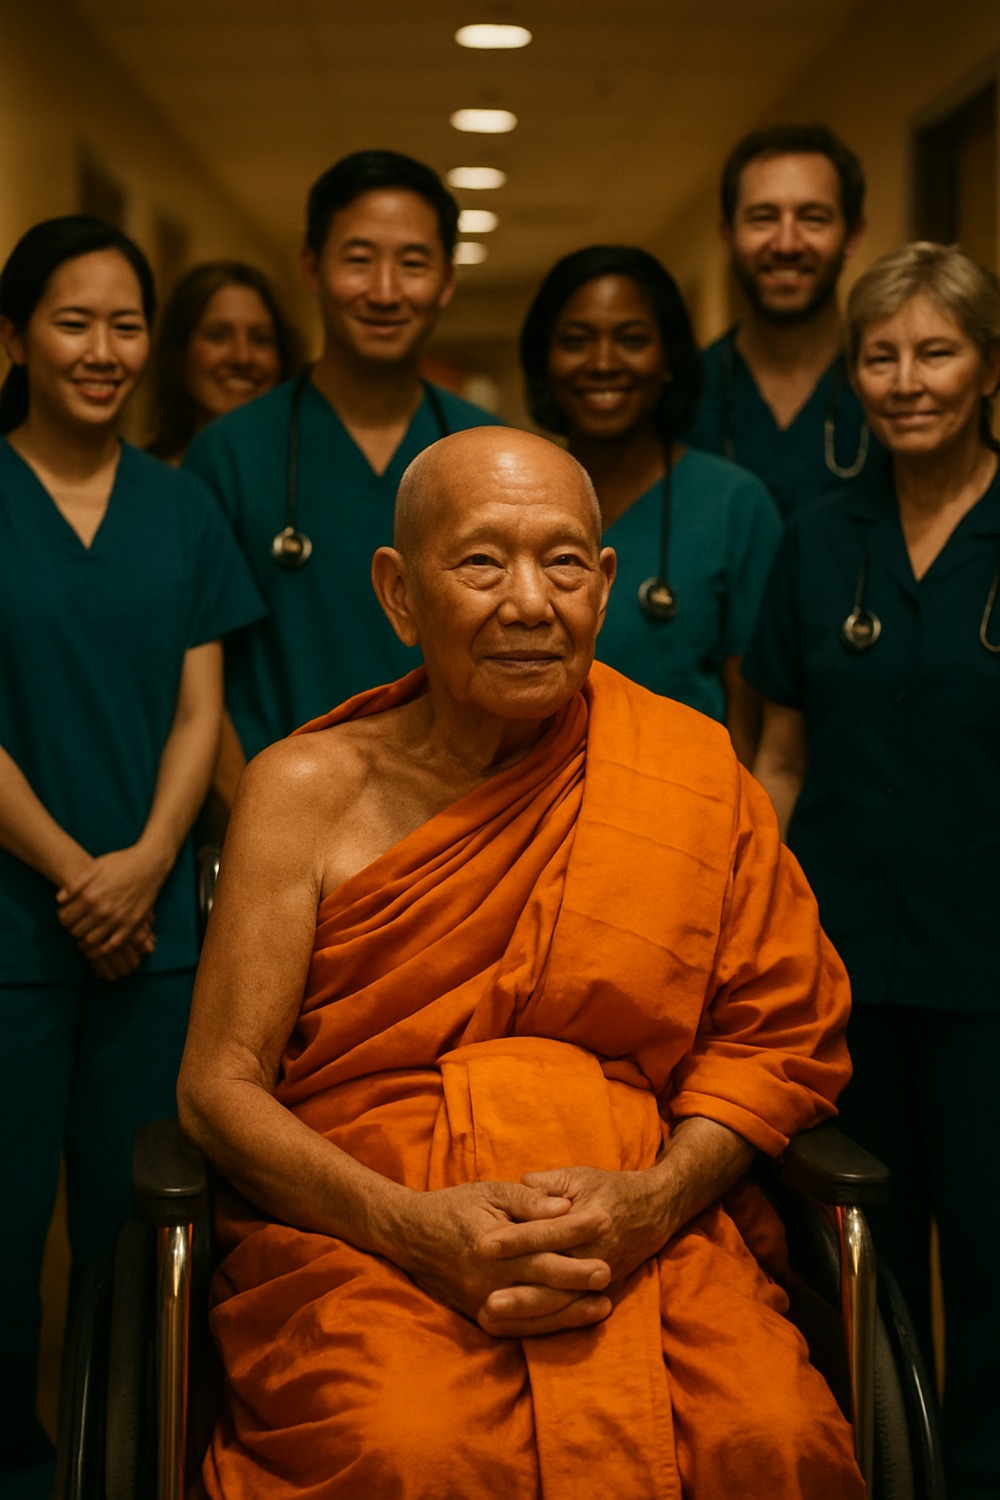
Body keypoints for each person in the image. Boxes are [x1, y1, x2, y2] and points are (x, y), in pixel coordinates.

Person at [178, 426, 865, 1499]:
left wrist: (654, 1199)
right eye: (481, 561)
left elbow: (771, 1038)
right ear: (400, 595)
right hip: (369, 1230)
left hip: (638, 1221)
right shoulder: (303, 791)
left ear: (602, 585)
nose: (529, 602)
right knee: (410, 1449)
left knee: (767, 1435)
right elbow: (218, 1089)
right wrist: (409, 1229)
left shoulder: (687, 769)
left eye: (560, 562)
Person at [0, 215, 264, 1499]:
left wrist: (149, 859)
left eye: (124, 325)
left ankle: (135, 1465)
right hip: (15, 928)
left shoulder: (182, 504)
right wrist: (78, 872)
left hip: (152, 934)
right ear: (15, 339)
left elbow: (199, 708)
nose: (102, 350)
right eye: (71, 321)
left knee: (139, 1227)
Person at [744, 242, 1000, 1500]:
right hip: (841, 968)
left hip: (990, 971)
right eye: (881, 355)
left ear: (988, 368)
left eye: (935, 352)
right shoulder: (814, 540)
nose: (906, 380)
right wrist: (747, 908)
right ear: (854, 373)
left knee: (999, 1266)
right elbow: (780, 753)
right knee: (860, 1257)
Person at [184, 149, 502, 804]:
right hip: (280, 819)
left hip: (459, 826)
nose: (385, 291)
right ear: (312, 267)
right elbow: (193, 684)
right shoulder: (230, 455)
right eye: (358, 259)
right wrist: (263, 829)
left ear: (446, 280)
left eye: (413, 264)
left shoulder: (489, 454)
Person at [519, 245, 781, 764]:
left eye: (632, 340)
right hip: (531, 814)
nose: (602, 363)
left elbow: (755, 727)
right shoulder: (513, 498)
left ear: (668, 360)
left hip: (688, 811)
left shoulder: (733, 504)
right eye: (575, 340)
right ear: (544, 360)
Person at [686, 123, 872, 517]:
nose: (787, 243)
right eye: (763, 218)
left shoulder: (890, 389)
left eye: (814, 218)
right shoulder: (686, 394)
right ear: (727, 235)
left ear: (852, 234)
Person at [146, 260, 301, 464]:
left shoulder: (308, 478)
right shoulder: (139, 481)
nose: (242, 357)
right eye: (218, 336)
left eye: (260, 339)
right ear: (180, 353)